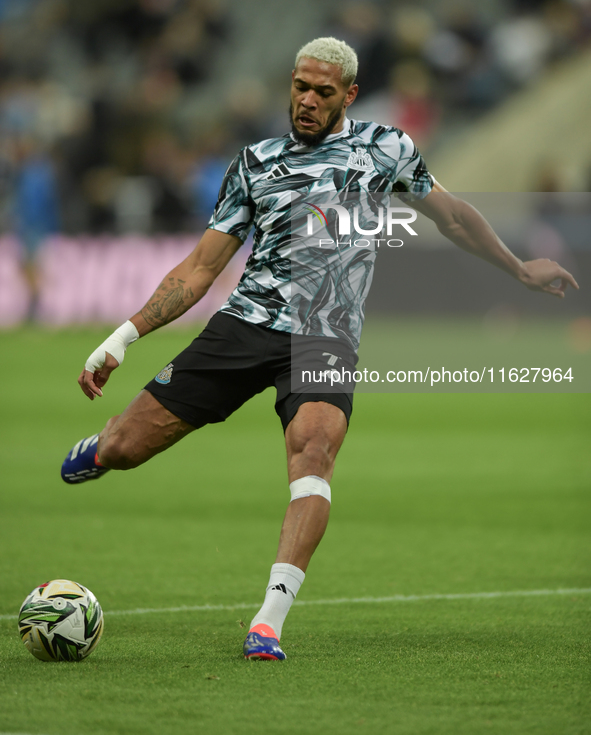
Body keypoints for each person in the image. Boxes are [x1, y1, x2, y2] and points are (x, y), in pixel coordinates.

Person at [61, 37, 578, 661]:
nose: (307, 101)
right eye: (300, 87)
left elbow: (455, 218)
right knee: (125, 448)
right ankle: (103, 447)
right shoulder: (254, 162)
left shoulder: (385, 150)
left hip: (325, 335)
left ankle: (268, 621)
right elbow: (200, 268)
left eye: (323, 93)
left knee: (314, 454)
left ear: (349, 95)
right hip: (244, 326)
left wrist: (518, 268)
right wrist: (124, 336)